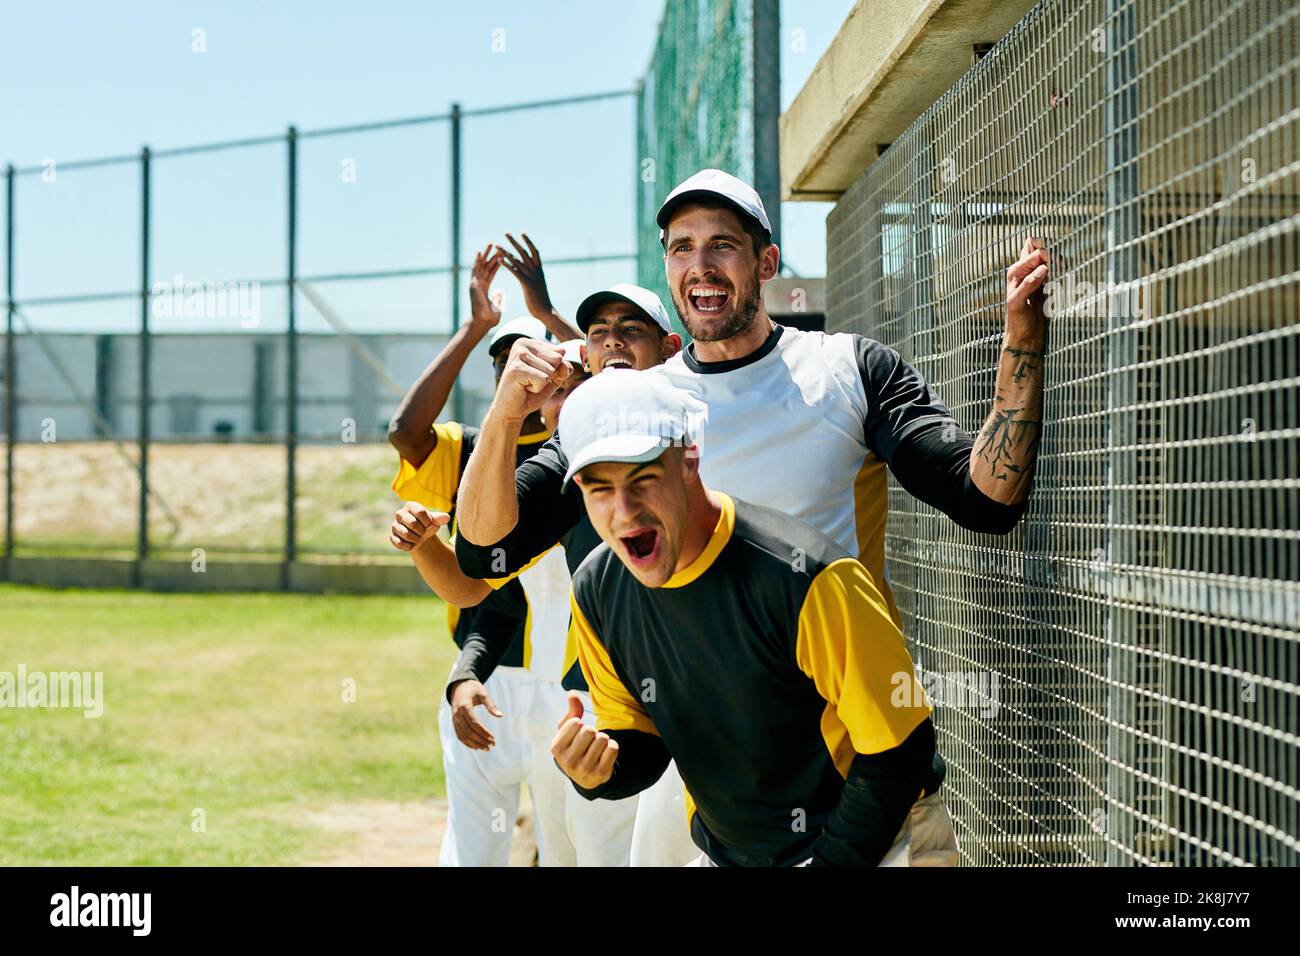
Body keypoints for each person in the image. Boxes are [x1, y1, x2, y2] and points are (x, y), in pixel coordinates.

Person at [551, 368, 958, 866]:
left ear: (689, 460)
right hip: (739, 854)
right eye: (599, 489)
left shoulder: (805, 576)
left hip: (883, 842)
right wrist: (600, 771)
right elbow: (641, 737)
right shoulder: (598, 590)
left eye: (644, 479)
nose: (625, 511)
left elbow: (900, 752)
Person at [387, 241, 578, 866]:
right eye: (502, 363)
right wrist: (476, 329)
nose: (513, 371)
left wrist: (548, 313)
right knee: (475, 854)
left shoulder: (579, 449)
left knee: (571, 848)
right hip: (485, 676)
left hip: (570, 683)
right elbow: (405, 433)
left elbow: (609, 380)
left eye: (528, 357)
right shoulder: (471, 454)